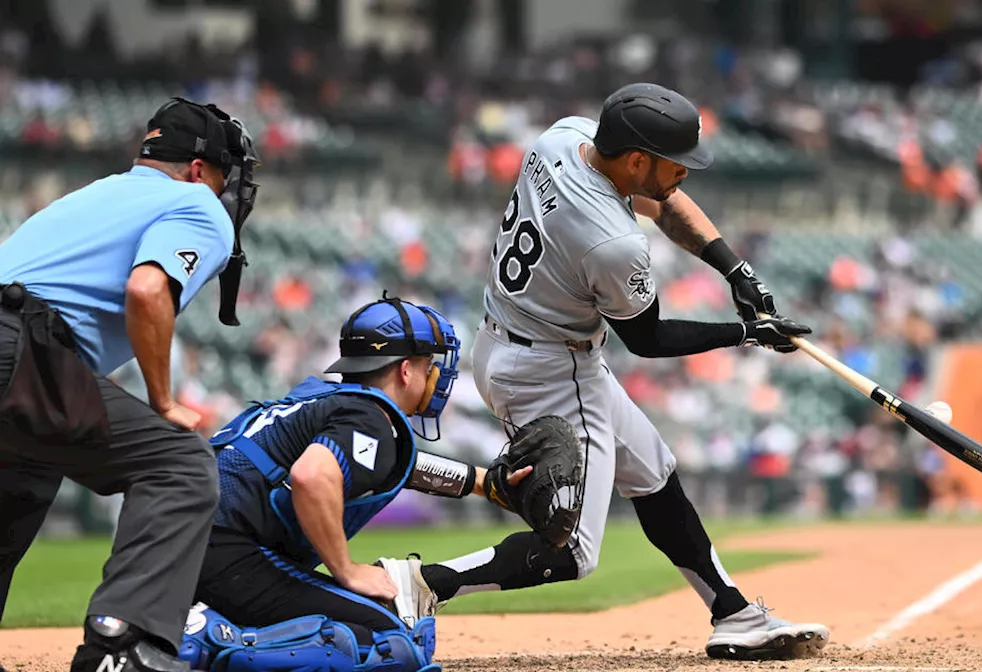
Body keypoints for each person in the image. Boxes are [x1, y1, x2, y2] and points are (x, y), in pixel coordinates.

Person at [394, 82, 829, 660]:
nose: (686, 175)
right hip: (551, 368)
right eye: (676, 164)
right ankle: (418, 584)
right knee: (571, 550)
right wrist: (747, 333)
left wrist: (735, 271)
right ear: (635, 160)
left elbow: (663, 201)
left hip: (518, 341)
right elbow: (647, 340)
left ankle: (733, 613)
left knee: (653, 471)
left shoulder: (566, 136)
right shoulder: (612, 242)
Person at [0, 97, 259, 672]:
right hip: (23, 350)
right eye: (222, 176)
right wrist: (163, 400)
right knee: (181, 466)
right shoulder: (197, 202)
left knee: (18, 489)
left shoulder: (97, 193)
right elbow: (147, 290)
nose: (224, 190)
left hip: (20, 352)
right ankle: (122, 647)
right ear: (198, 169)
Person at [178, 296, 549, 672]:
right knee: (392, 645)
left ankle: (197, 621)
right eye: (428, 365)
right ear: (406, 370)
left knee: (371, 625)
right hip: (225, 551)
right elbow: (312, 476)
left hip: (182, 543)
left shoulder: (324, 401)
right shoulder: (368, 416)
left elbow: (395, 464)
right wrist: (346, 569)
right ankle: (202, 641)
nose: (434, 375)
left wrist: (485, 484)